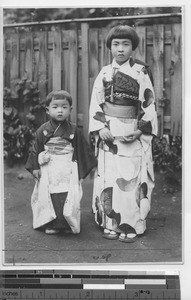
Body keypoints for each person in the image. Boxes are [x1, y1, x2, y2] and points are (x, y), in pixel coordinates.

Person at [89, 24, 158, 243]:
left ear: (133, 48)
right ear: (109, 47)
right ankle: (110, 222)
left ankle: (130, 224)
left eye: (125, 44)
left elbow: (149, 103)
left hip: (131, 132)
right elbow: (96, 104)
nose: (120, 49)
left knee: (129, 180)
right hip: (109, 133)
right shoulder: (104, 73)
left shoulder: (140, 72)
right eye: (116, 44)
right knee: (108, 177)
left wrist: (140, 130)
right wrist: (101, 128)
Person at [26, 90, 97, 235]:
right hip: (49, 167)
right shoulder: (42, 130)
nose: (60, 110)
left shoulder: (74, 130)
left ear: (70, 110)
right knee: (50, 194)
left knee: (67, 194)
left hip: (67, 166)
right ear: (47, 110)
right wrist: (35, 167)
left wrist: (80, 171)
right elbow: (35, 149)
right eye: (55, 107)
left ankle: (66, 224)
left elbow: (83, 150)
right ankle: (52, 224)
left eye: (64, 107)